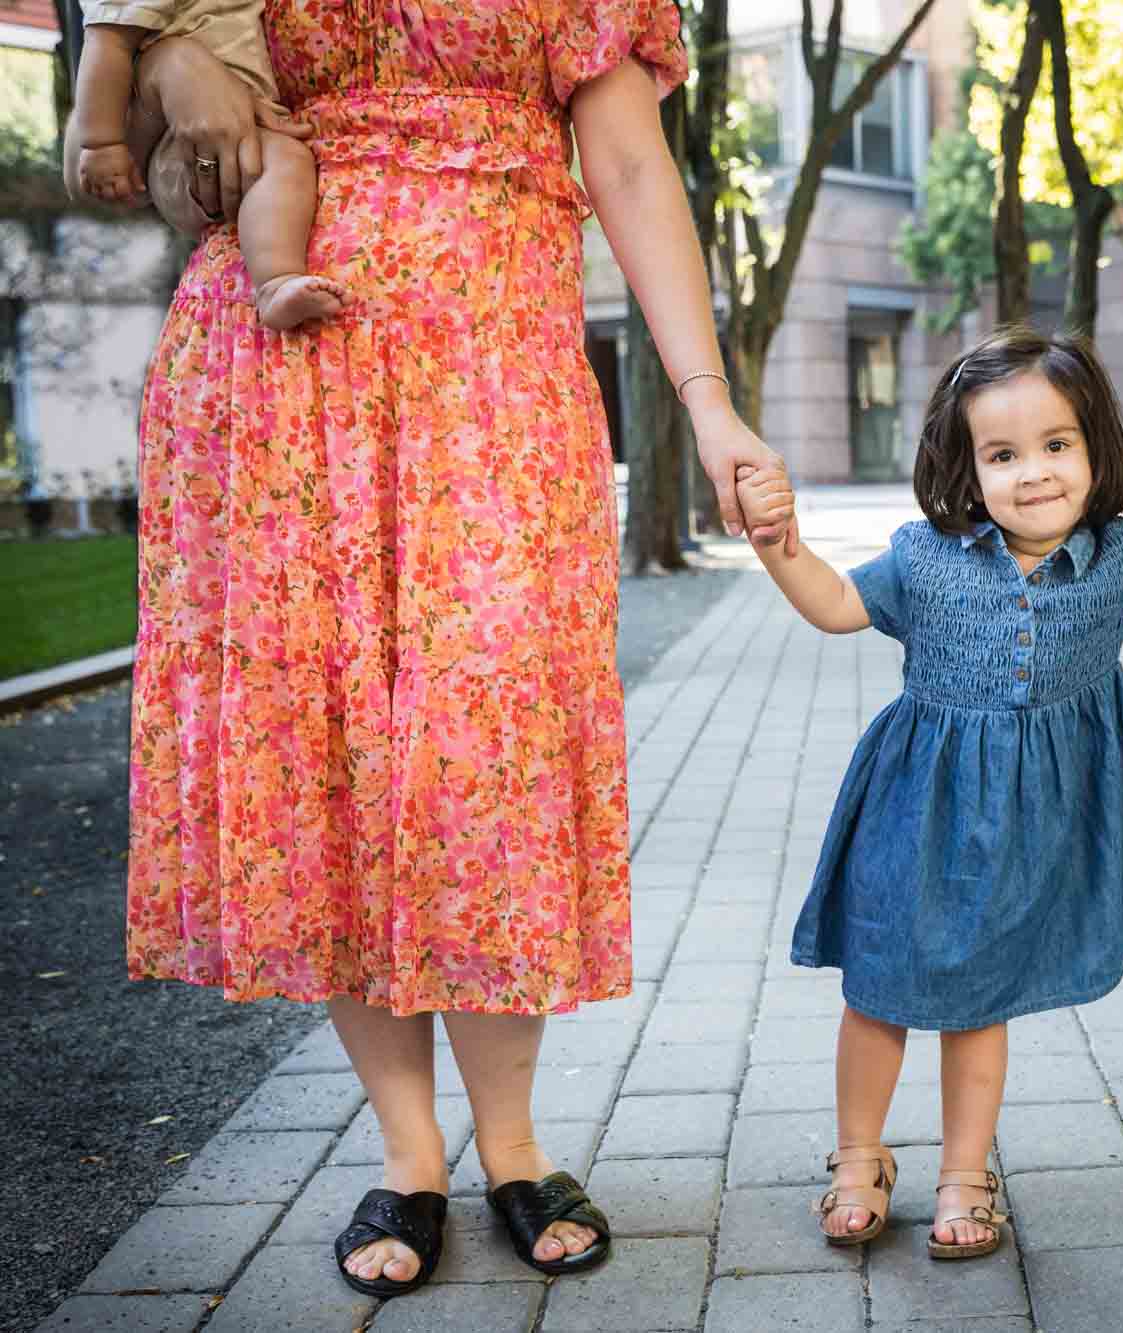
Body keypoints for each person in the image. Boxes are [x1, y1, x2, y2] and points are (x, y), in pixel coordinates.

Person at [112, 0, 789, 1301]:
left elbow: (632, 160)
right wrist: (171, 60)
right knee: (333, 778)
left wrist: (708, 406)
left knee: (484, 769)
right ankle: (410, 1153)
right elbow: (128, 131)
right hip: (274, 383)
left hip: (493, 383)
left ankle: (514, 1140)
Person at [731, 325, 1123, 1258]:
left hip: (1030, 827)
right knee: (879, 988)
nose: (1036, 473)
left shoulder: (1118, 558)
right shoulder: (927, 560)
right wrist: (780, 546)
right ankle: (859, 1156)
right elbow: (835, 605)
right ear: (967, 469)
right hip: (912, 812)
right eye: (1003, 454)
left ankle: (967, 1171)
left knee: (980, 999)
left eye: (1058, 445)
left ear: (1097, 446)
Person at [69, 0, 345, 329]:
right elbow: (106, 41)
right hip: (184, 145)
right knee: (282, 160)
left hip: (251, 133)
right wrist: (102, 144)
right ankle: (274, 282)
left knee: (281, 159)